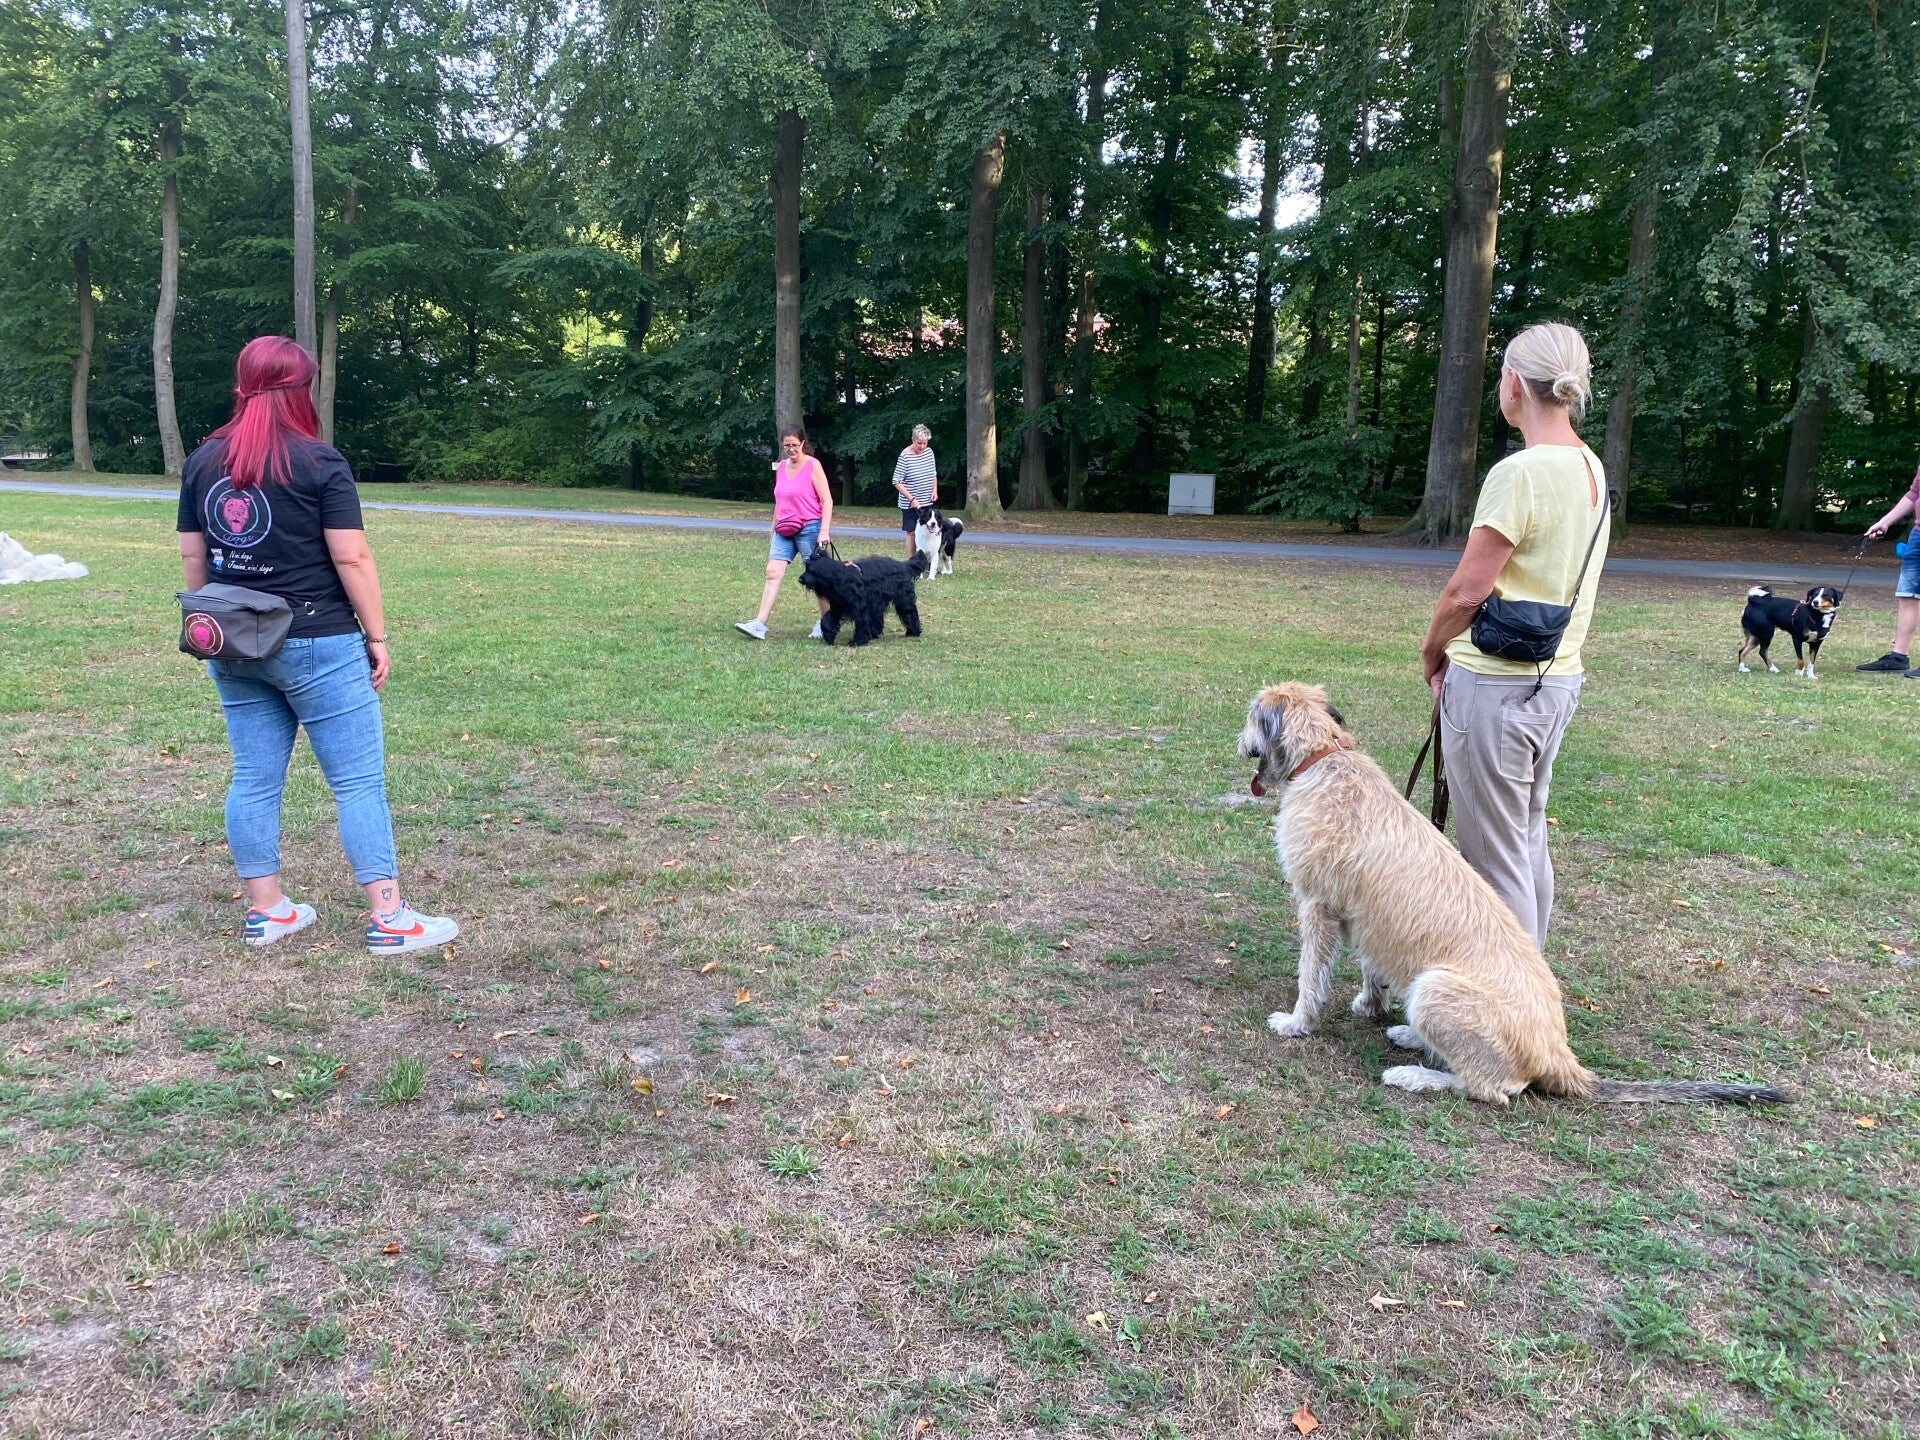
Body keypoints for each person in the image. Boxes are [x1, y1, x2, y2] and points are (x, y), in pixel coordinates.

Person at [176, 336, 458, 953]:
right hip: (318, 641)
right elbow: (352, 557)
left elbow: (194, 557)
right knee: (357, 783)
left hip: (235, 641)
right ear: (301, 389)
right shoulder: (320, 462)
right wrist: (376, 636)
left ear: (243, 385)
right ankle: (390, 919)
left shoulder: (203, 461)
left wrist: (211, 622)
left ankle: (268, 911)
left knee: (254, 778)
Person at [1418, 322, 1609, 950]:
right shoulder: (1591, 467)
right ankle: (1531, 983)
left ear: (1513, 384)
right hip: (1557, 681)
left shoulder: (1519, 473)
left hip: (1495, 689)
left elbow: (1465, 593)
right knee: (1524, 840)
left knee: (1493, 862)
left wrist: (1431, 650)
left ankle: (1507, 1002)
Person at [735, 425, 833, 640]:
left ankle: (825, 622)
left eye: (795, 445)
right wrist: (773, 528)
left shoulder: (813, 465)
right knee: (772, 572)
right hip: (784, 528)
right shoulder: (781, 467)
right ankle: (759, 624)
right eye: (787, 445)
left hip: (809, 527)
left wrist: (824, 531)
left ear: (803, 443)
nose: (791, 449)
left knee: (818, 577)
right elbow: (780, 501)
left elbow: (827, 500)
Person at [1855, 461, 1920, 676]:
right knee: (1908, 595)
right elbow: (1914, 493)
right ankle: (1898, 658)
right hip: (1918, 535)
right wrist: (1885, 521)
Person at [892, 424, 938, 559]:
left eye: (925, 443)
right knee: (912, 532)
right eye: (919, 443)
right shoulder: (905, 456)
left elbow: (933, 473)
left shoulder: (929, 452)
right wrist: (911, 499)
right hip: (909, 503)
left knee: (928, 531)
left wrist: (934, 489)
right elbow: (896, 481)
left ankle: (927, 560)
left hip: (926, 501)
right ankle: (912, 562)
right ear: (913, 440)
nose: (922, 446)